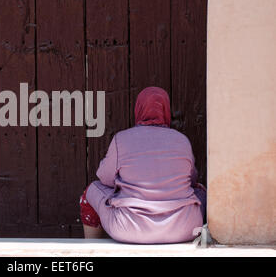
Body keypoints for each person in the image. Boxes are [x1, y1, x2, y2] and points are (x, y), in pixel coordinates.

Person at [80, 87, 206, 243]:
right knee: (201, 191)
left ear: (138, 109)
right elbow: (192, 181)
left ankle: (90, 249)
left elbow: (104, 179)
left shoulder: (122, 139)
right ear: (166, 110)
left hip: (129, 228)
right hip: (184, 228)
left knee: (91, 190)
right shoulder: (182, 140)